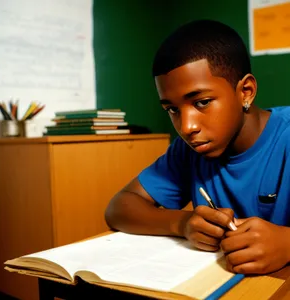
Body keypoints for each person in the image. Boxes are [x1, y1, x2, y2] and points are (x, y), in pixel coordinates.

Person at [105, 19, 290, 275]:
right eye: (172, 109)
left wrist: (287, 243)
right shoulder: (189, 150)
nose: (187, 127)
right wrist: (182, 223)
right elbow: (118, 208)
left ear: (246, 91)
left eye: (202, 102)